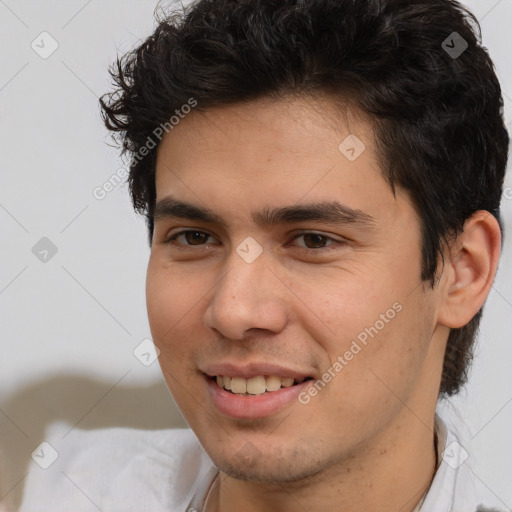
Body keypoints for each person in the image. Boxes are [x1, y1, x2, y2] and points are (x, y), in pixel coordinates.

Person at [19, 0, 509, 510]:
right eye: (193, 237)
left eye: (313, 241)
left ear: (463, 271)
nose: (233, 312)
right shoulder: (66, 491)